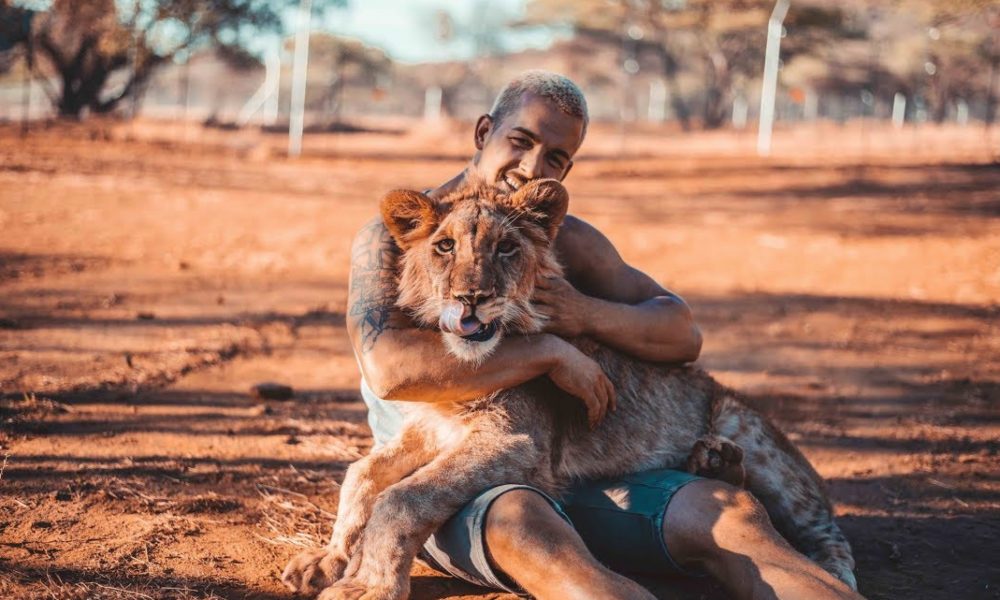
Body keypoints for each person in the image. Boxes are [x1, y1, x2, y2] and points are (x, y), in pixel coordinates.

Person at [347, 70, 861, 600]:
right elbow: (391, 372)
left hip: (606, 467)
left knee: (735, 518)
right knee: (527, 525)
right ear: (484, 133)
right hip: (471, 476)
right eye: (519, 142)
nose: (529, 168)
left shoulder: (562, 238)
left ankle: (827, 562)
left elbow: (683, 333)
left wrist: (583, 314)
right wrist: (549, 352)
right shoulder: (393, 237)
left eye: (555, 160)